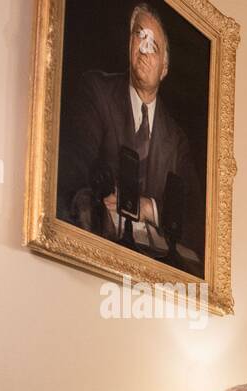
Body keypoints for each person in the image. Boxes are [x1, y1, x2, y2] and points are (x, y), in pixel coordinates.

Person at [57, 3, 205, 270]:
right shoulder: (97, 93)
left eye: (154, 46)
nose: (145, 49)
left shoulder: (176, 141)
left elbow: (197, 220)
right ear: (129, 44)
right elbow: (69, 176)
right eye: (140, 36)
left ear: (164, 69)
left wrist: (150, 208)